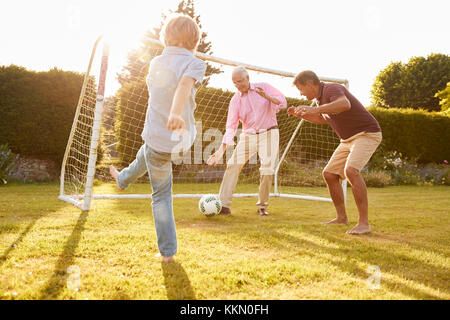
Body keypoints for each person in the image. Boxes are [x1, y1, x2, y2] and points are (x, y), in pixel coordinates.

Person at [110, 15, 207, 262]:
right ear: (195, 41)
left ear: (165, 37)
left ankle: (167, 252)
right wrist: (175, 113)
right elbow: (185, 83)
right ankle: (123, 179)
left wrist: (174, 113)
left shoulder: (155, 63)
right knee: (148, 154)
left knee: (160, 194)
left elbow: (182, 86)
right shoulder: (196, 63)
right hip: (182, 140)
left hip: (160, 136)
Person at [288, 70, 382, 235]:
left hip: (366, 134)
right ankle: (341, 218)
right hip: (347, 140)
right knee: (330, 174)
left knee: (351, 171)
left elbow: (344, 104)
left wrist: (314, 110)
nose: (301, 94)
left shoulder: (332, 89)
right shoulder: (320, 100)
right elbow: (323, 119)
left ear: (309, 84)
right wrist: (301, 115)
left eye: (301, 89)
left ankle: (364, 224)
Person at [207, 66, 287, 216]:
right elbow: (231, 126)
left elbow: (283, 102)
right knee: (232, 165)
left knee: (267, 169)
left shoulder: (264, 87)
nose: (238, 85)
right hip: (248, 135)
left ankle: (262, 207)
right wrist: (220, 151)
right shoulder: (235, 100)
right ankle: (223, 205)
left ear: (248, 78)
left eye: (240, 81)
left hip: (269, 133)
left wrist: (267, 97)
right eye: (235, 83)